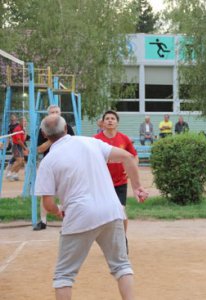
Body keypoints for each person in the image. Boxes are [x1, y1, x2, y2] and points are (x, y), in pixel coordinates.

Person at [34, 114, 149, 300]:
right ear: (66, 129)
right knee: (121, 266)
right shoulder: (90, 142)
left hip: (79, 215)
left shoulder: (48, 161)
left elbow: (47, 203)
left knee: (63, 275)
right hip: (111, 211)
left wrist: (57, 211)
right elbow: (127, 157)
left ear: (44, 135)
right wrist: (137, 187)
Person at [94, 110, 138, 241]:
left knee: (121, 212)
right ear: (103, 122)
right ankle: (108, 240)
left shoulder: (124, 139)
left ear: (117, 122)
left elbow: (134, 157)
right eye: (107, 118)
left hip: (120, 182)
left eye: (113, 118)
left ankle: (122, 238)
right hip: (102, 183)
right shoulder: (96, 140)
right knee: (104, 214)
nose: (110, 120)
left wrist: (131, 170)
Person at [34, 105, 75, 231]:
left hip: (65, 163)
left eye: (57, 112)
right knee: (45, 193)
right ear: (48, 114)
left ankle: (68, 220)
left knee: (67, 191)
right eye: (52, 112)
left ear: (61, 113)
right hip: (50, 164)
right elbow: (39, 149)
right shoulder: (43, 128)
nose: (55, 114)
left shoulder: (67, 127)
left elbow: (73, 144)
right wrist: (54, 137)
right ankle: (43, 221)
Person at [6, 117, 28, 181]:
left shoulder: (22, 129)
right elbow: (19, 141)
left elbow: (23, 139)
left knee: (22, 161)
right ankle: (9, 174)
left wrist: (25, 133)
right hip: (16, 146)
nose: (25, 123)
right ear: (20, 122)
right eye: (24, 121)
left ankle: (15, 174)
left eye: (26, 121)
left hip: (19, 146)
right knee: (19, 160)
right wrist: (25, 148)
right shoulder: (18, 129)